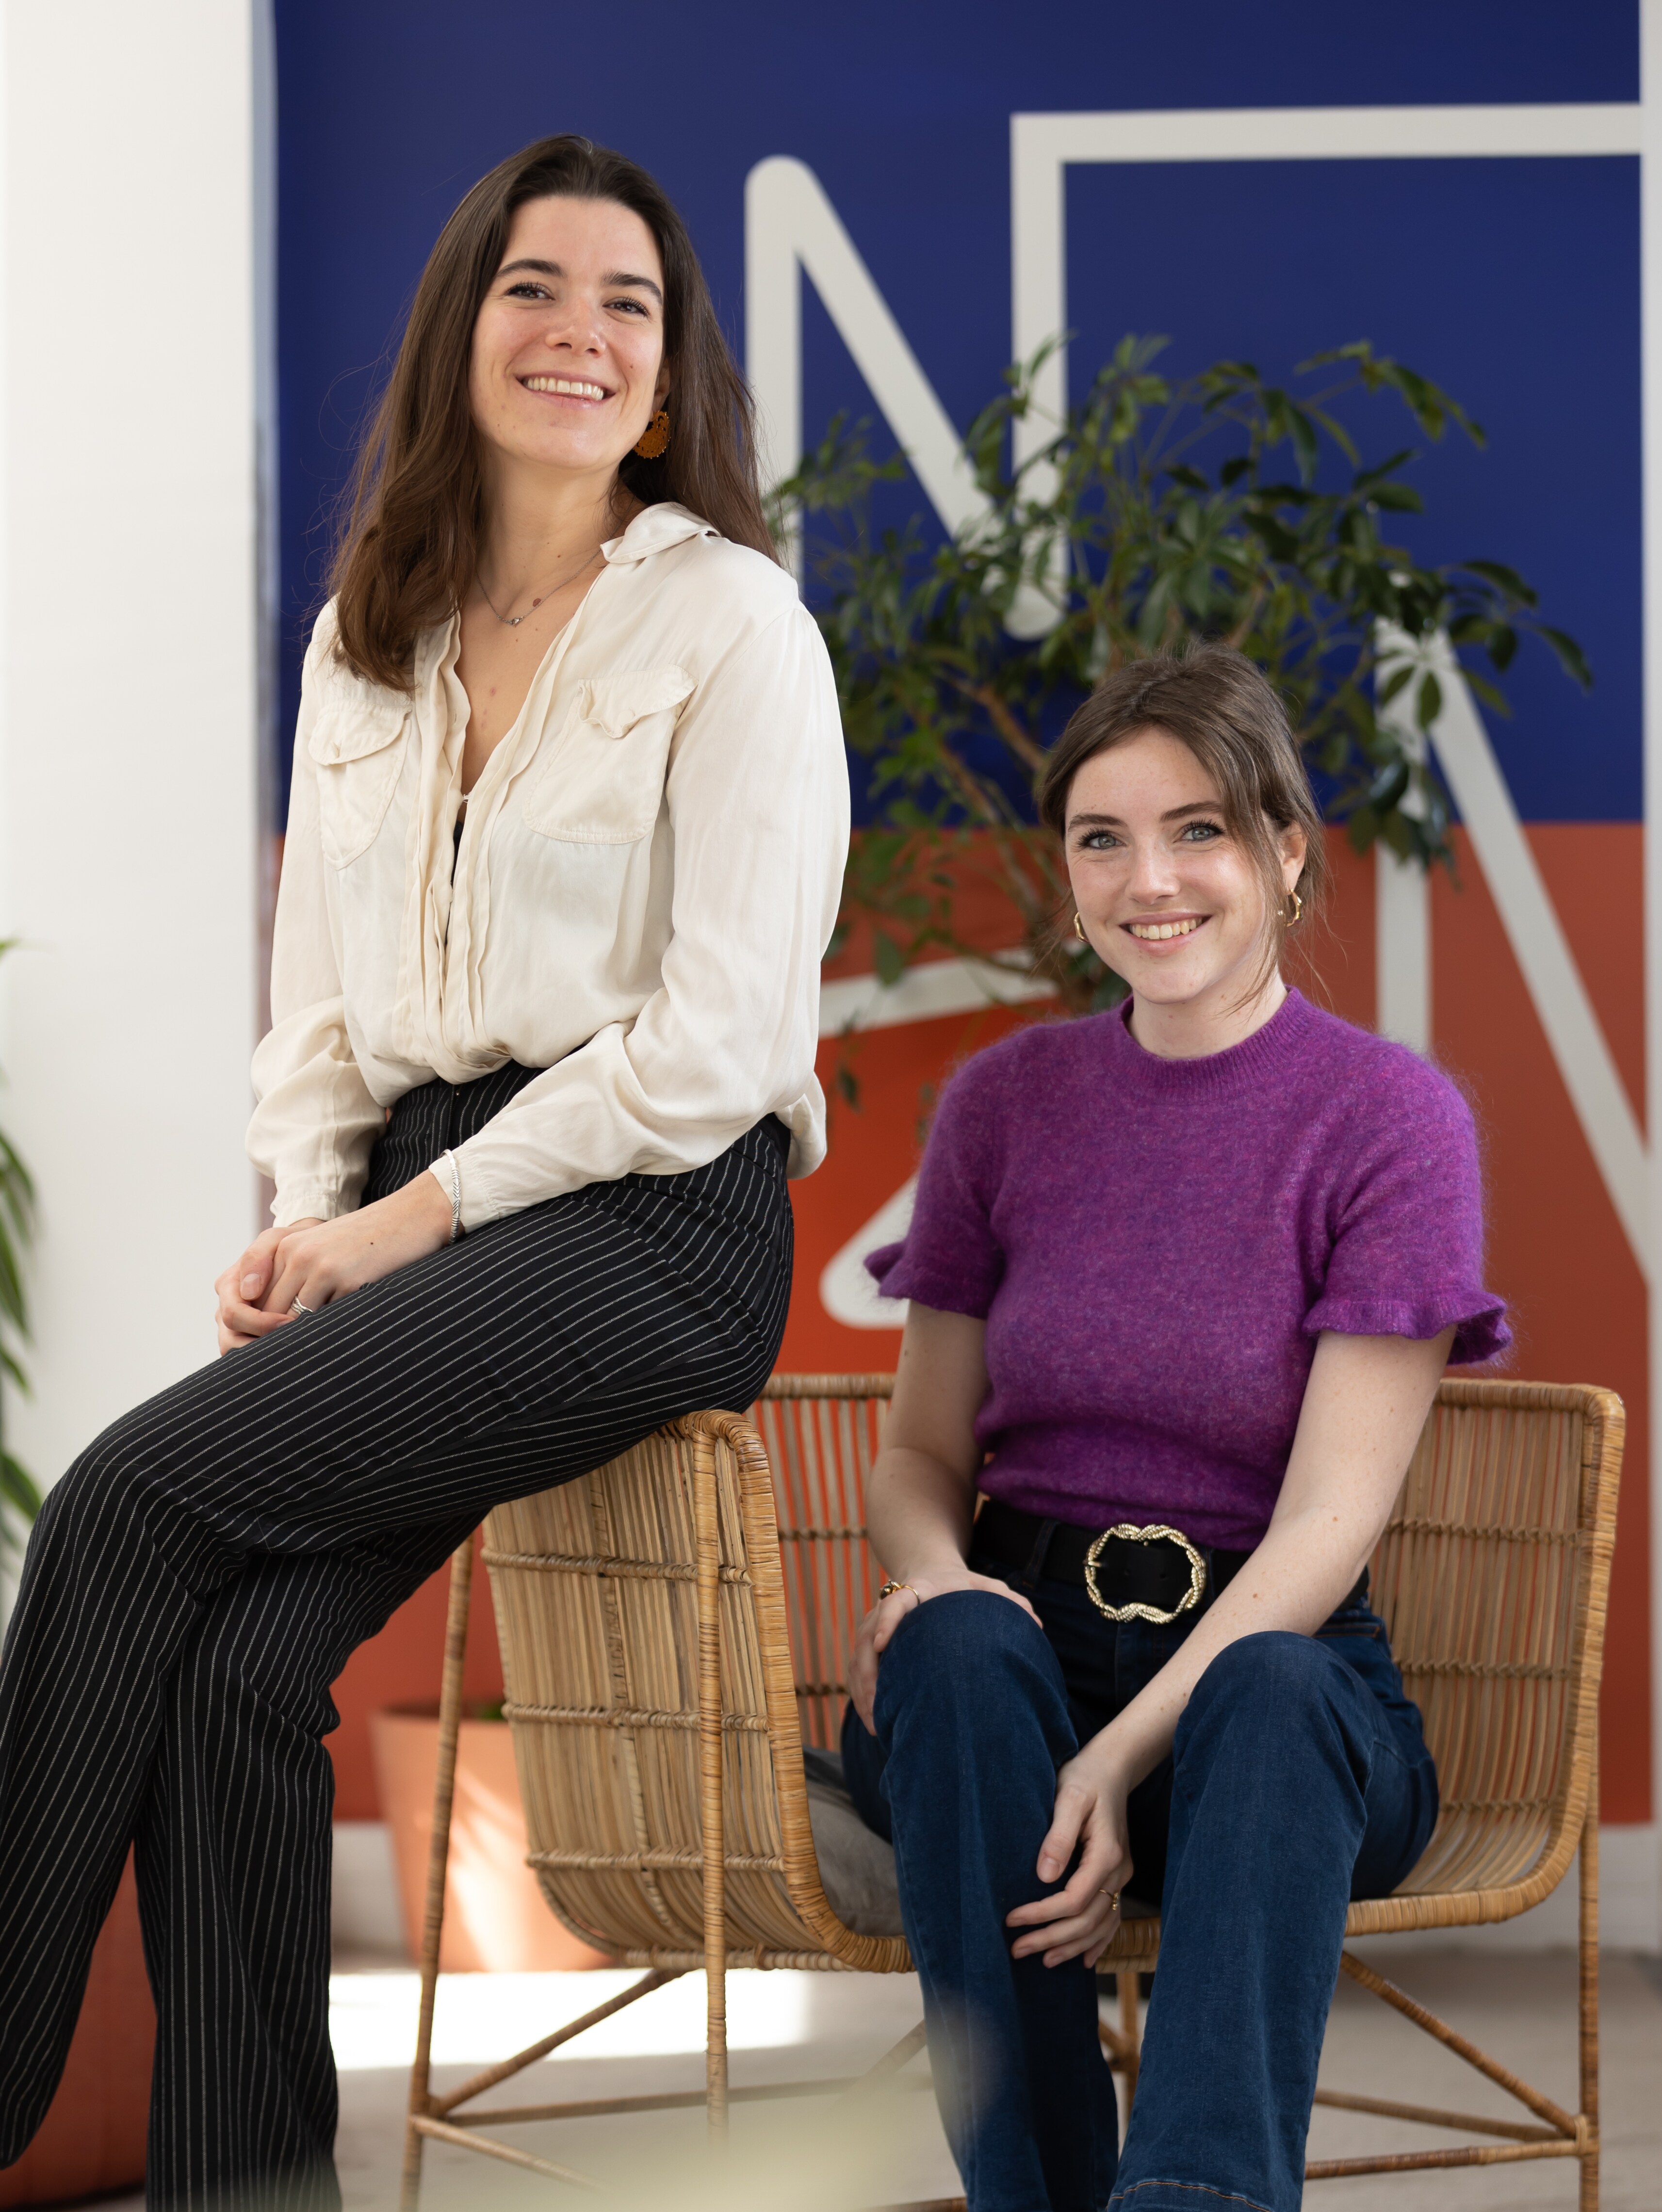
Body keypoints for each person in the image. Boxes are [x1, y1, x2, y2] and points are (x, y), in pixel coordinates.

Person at [0, 136, 846, 2208]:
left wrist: (399, 1223)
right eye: (533, 289)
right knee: (232, 1675)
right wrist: (309, 1213)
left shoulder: (735, 625)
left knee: (119, 1500)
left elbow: (716, 1045)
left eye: (626, 304)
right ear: (461, 328)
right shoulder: (362, 639)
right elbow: (316, 1015)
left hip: (652, 1216)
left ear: (670, 374)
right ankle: (245, 2179)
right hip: (414, 1196)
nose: (578, 332)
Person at [840, 644, 1507, 2212]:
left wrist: (1123, 1754)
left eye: (1198, 829)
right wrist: (934, 1577)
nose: (1149, 880)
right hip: (1013, 1672)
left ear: (1283, 850)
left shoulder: (1388, 1120)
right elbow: (920, 1460)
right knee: (948, 1650)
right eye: (1100, 837)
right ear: (1066, 865)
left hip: (1274, 1679)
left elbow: (1328, 1523)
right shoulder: (1001, 1105)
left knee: (1270, 1690)